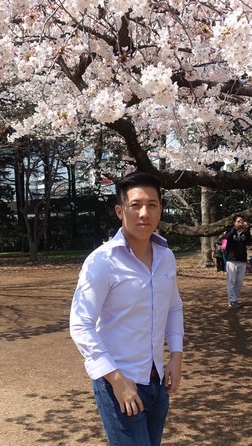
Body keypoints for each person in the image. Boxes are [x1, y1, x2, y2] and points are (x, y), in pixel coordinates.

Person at [70, 171, 184, 446]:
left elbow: (174, 307)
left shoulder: (166, 257)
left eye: (152, 205)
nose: (144, 213)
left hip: (157, 383)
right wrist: (116, 379)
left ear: (160, 209)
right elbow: (80, 324)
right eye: (135, 205)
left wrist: (176, 356)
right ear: (120, 211)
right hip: (120, 384)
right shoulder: (102, 262)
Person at [221, 215, 252, 308]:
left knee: (239, 282)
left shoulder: (244, 233)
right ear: (234, 223)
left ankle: (234, 299)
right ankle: (232, 300)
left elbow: (249, 242)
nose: (240, 223)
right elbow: (225, 240)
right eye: (238, 221)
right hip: (231, 261)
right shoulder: (230, 232)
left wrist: (247, 230)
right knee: (231, 281)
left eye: (242, 221)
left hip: (242, 261)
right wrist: (234, 229)